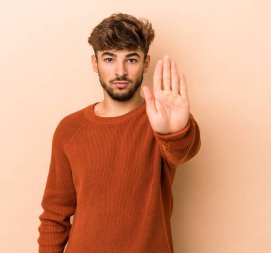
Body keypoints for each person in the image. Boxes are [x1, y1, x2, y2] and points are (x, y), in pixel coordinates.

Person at [37, 13, 201, 253]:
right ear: (95, 63)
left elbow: (184, 151)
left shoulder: (161, 120)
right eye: (109, 58)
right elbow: (54, 217)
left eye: (131, 59)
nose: (120, 71)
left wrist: (175, 132)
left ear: (146, 63)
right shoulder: (70, 129)